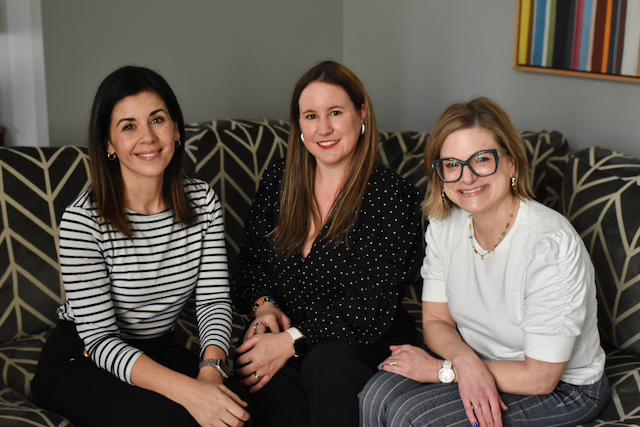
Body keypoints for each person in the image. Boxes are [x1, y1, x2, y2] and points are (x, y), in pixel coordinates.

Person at [359, 97, 609, 427]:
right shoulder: (444, 226)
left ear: (512, 164)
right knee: (375, 394)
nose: (467, 176)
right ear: (441, 176)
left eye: (481, 159)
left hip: (563, 388)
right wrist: (464, 362)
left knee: (414, 419)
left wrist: (440, 370)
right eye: (451, 164)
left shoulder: (550, 246)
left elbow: (541, 377)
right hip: (479, 359)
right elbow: (436, 321)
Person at [31, 66, 250, 427]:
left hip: (158, 348)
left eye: (157, 120)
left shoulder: (203, 201)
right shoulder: (83, 221)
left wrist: (211, 372)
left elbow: (213, 301)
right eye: (128, 126)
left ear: (177, 130)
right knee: (175, 418)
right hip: (83, 358)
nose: (147, 137)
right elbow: (100, 339)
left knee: (237, 406)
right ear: (108, 144)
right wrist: (190, 392)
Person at [232, 60, 423, 427]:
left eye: (335, 112)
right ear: (298, 124)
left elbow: (366, 307)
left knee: (323, 359)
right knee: (252, 352)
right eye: (310, 116)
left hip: (366, 334)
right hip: (294, 327)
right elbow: (253, 264)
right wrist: (266, 310)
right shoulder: (279, 179)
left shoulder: (390, 194)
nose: (324, 128)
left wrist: (291, 339)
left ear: (361, 113)